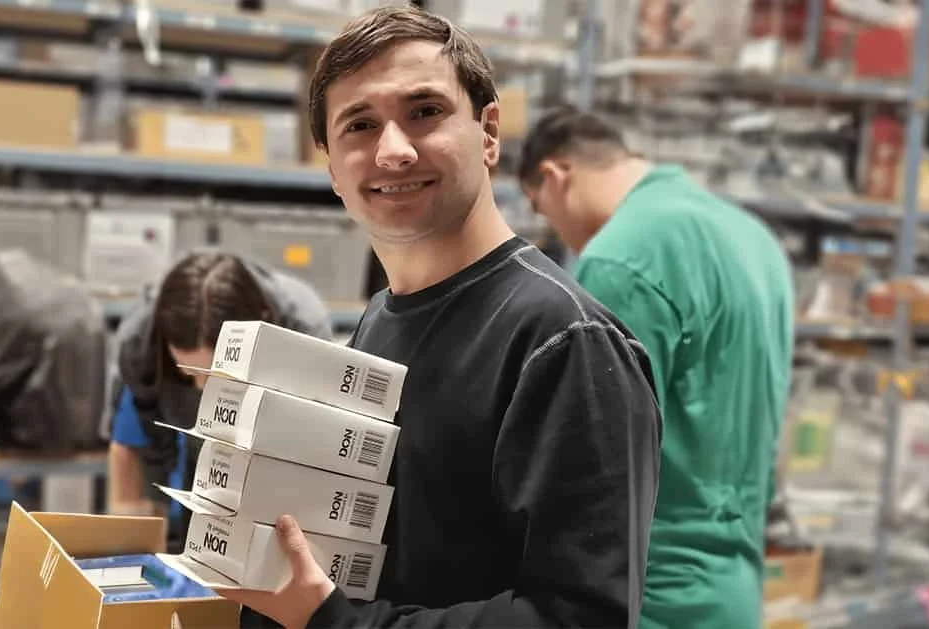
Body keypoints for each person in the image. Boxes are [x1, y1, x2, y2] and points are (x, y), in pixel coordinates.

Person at [214, 6, 663, 629]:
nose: (393, 151)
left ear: (489, 132)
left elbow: (579, 618)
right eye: (359, 126)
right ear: (332, 169)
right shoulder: (381, 321)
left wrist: (335, 622)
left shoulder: (563, 342)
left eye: (424, 112)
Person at [516, 106, 796, 629]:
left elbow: (592, 468)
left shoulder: (621, 256)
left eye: (542, 210)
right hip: (732, 589)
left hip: (652, 598)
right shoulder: (753, 239)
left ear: (556, 178)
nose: (556, 231)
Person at [106, 249, 333, 551]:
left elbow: (310, 455)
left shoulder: (303, 330)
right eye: (190, 372)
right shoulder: (139, 342)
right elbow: (146, 444)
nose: (202, 389)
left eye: (217, 376)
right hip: (192, 441)